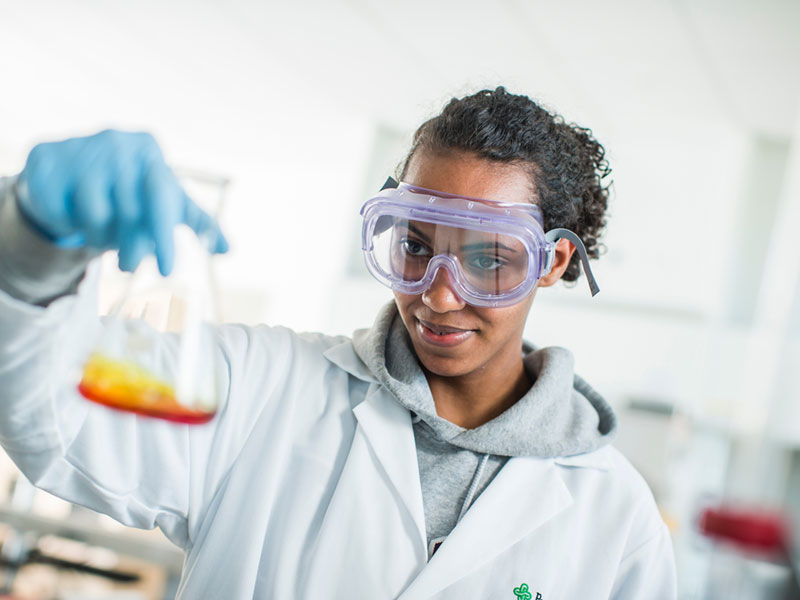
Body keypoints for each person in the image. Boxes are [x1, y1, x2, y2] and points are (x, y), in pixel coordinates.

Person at [0, 87, 677, 598]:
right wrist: (28, 248)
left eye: (488, 260)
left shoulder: (615, 520)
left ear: (553, 263)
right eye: (414, 246)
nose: (438, 295)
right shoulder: (259, 388)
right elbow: (55, 415)